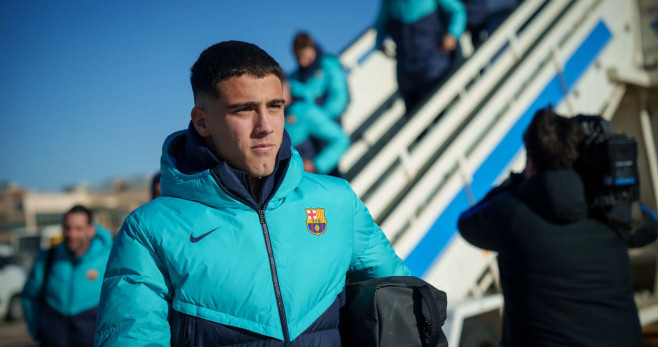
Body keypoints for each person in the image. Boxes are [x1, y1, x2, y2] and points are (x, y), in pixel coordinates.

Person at [94, 40, 410, 346]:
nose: (265, 126)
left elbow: (404, 302)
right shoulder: (148, 230)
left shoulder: (337, 199)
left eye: (275, 106)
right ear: (202, 121)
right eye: (244, 110)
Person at [457, 108, 657, 346]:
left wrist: (518, 180)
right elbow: (650, 226)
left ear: (531, 161)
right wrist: (605, 187)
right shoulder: (606, 211)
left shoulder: (511, 213)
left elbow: (467, 222)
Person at [21, 205, 112, 347]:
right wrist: (37, 329)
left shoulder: (109, 259)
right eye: (67, 228)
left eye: (78, 229)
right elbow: (29, 296)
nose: (71, 234)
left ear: (91, 230)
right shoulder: (48, 257)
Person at [374, 0, 467, 113]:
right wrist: (380, 43)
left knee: (443, 109)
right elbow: (381, 25)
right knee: (415, 114)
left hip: (434, 66)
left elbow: (457, 10)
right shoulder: (389, 3)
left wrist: (453, 34)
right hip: (407, 75)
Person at [283, 79, 349, 176]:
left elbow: (341, 139)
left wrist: (316, 165)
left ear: (288, 86)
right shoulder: (273, 119)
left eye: (279, 88)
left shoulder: (304, 111)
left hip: (320, 180)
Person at [289, 32, 349, 124]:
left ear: (311, 49)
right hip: (308, 129)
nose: (302, 61)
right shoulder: (295, 78)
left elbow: (339, 95)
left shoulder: (328, 65)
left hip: (330, 123)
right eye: (298, 57)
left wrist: (320, 119)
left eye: (304, 55)